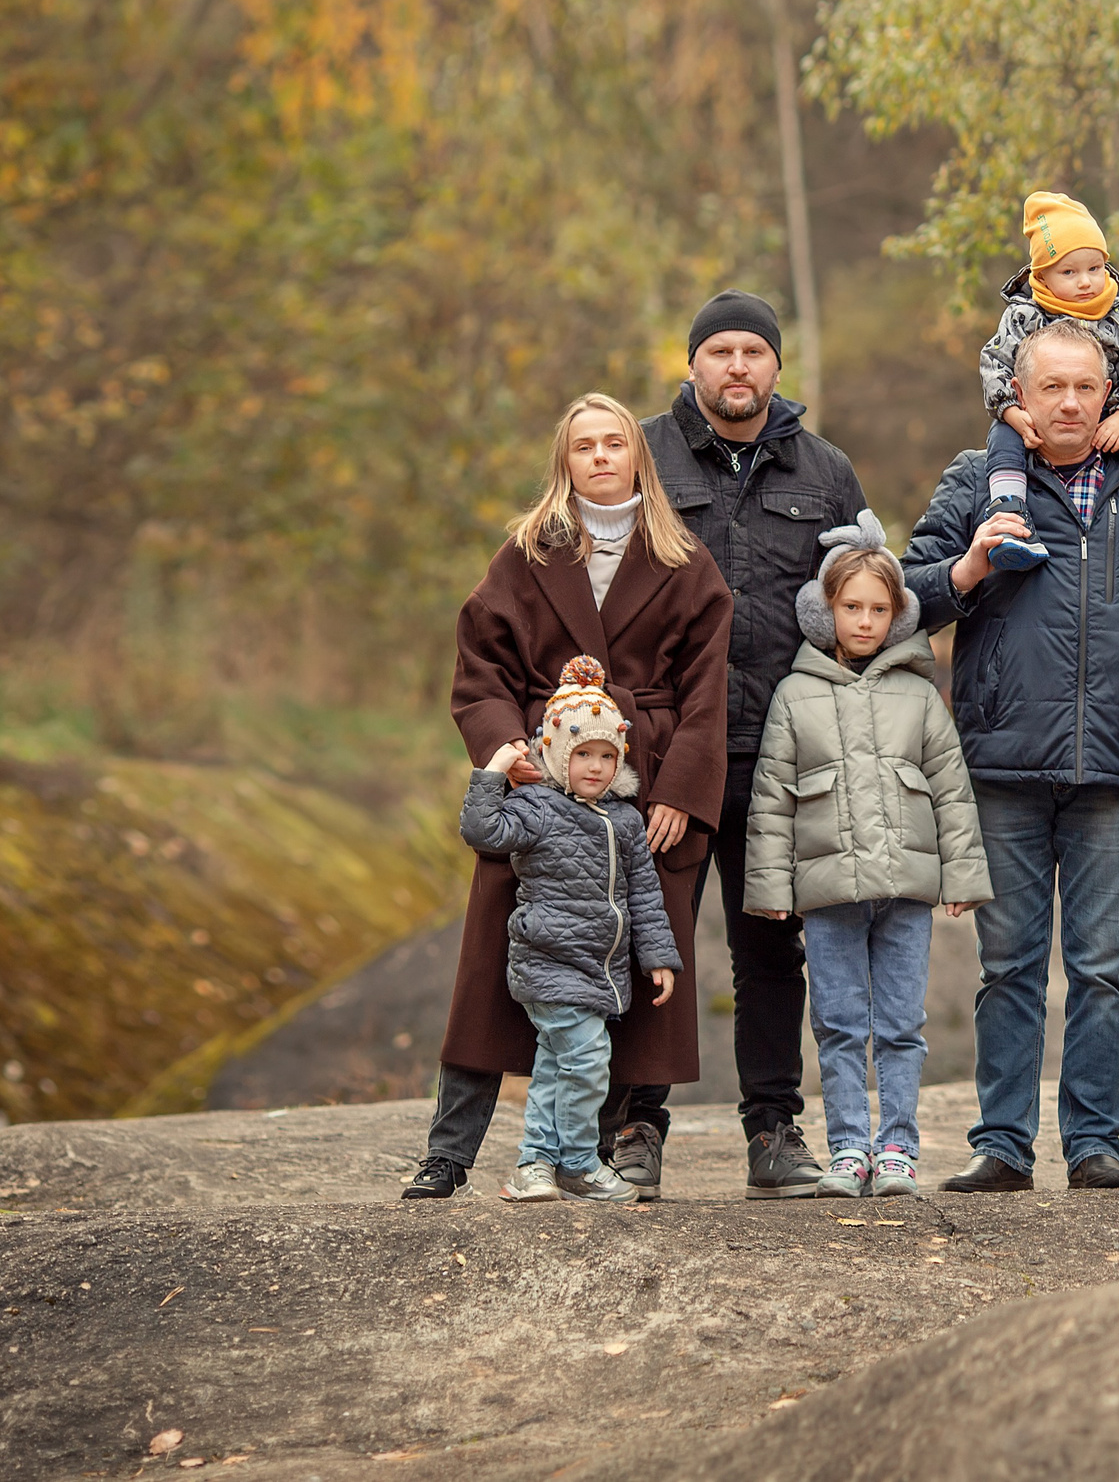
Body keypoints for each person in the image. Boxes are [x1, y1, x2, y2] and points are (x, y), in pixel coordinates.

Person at [405, 393, 730, 1202]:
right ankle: (448, 1155)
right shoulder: (526, 555)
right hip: (537, 795)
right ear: (565, 462)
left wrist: (682, 792)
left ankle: (590, 1154)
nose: (599, 456)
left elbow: (705, 694)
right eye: (582, 445)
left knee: (621, 980)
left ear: (637, 456)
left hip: (641, 788)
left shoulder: (685, 560)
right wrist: (507, 753)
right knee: (488, 976)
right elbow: (479, 670)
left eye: (613, 442)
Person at [901, 321, 1119, 1192]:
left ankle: (1097, 1143)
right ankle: (1002, 1143)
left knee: (1103, 969)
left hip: (1114, 761)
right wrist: (968, 568)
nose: (1069, 402)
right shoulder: (978, 478)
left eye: (1085, 387)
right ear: (1018, 398)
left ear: (1109, 396)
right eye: (1052, 387)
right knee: (1009, 967)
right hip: (1002, 762)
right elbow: (906, 596)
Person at [641, 291, 870, 1200]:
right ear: (692, 363)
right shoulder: (646, 457)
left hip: (784, 757)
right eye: (720, 351)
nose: (737, 367)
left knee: (772, 947)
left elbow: (863, 606)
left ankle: (773, 1131)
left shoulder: (827, 471)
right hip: (666, 755)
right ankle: (635, 1127)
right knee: (651, 941)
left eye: (754, 352)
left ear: (778, 367)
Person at [742, 515, 993, 1198]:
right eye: (851, 606)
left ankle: (898, 1149)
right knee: (839, 1022)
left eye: (879, 609)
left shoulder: (918, 694)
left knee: (902, 1024)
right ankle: (849, 1146)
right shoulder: (796, 695)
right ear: (825, 611)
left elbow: (950, 787)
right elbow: (771, 798)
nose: (864, 620)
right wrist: (769, 885)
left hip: (906, 891)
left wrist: (964, 875)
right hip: (828, 894)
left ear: (898, 614)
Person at [459, 657, 682, 1204]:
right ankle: (579, 1164)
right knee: (585, 1060)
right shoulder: (537, 807)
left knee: (559, 1065)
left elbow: (645, 896)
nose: (596, 767)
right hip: (548, 960)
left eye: (608, 756)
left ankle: (535, 1165)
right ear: (558, 753)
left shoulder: (625, 819)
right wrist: (493, 772)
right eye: (583, 754)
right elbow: (482, 830)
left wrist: (657, 956)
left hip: (598, 970)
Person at [975, 192, 1119, 573]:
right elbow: (993, 364)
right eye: (1069, 272)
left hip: (1111, 415)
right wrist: (1012, 412)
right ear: (1041, 276)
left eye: (1095, 268)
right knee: (1002, 437)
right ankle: (1011, 515)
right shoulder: (1024, 316)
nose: (1086, 282)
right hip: (1035, 422)